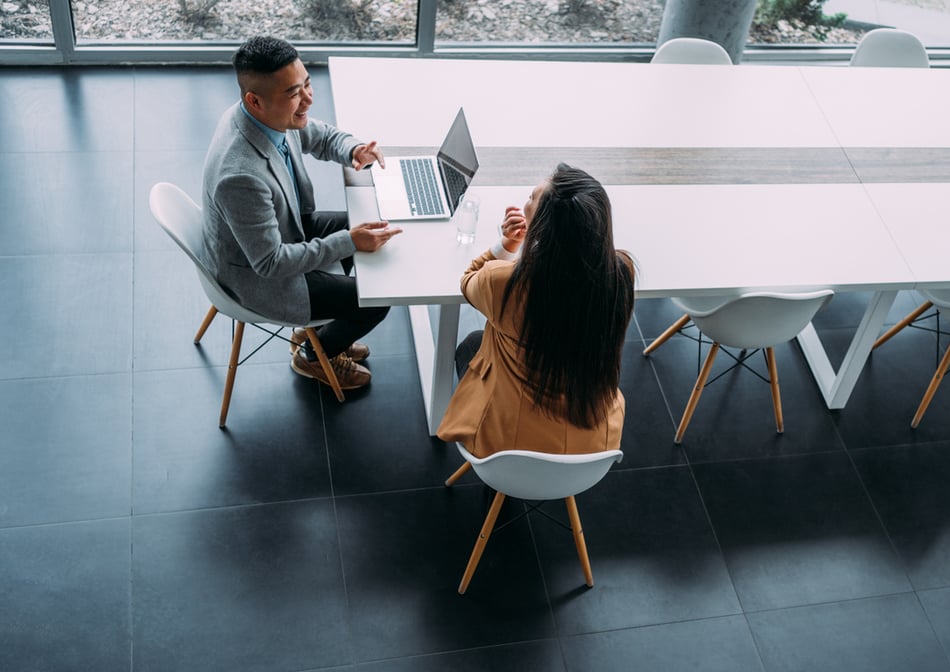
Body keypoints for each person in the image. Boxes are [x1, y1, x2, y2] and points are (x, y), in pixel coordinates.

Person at [200, 35, 401, 391]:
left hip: (286, 228)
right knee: (378, 297)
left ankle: (326, 334)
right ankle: (313, 353)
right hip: (260, 278)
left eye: (307, 84)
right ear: (255, 101)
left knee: (370, 230)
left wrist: (353, 148)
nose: (308, 99)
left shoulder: (263, 117)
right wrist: (348, 242)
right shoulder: (239, 175)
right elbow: (271, 263)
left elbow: (319, 135)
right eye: (295, 93)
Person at [437, 164, 636, 458]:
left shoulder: (503, 283)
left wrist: (508, 246)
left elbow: (468, 282)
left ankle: (503, 486)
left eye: (531, 198)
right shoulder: (619, 275)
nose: (525, 202)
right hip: (592, 446)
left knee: (472, 344)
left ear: (544, 226)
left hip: (505, 447)